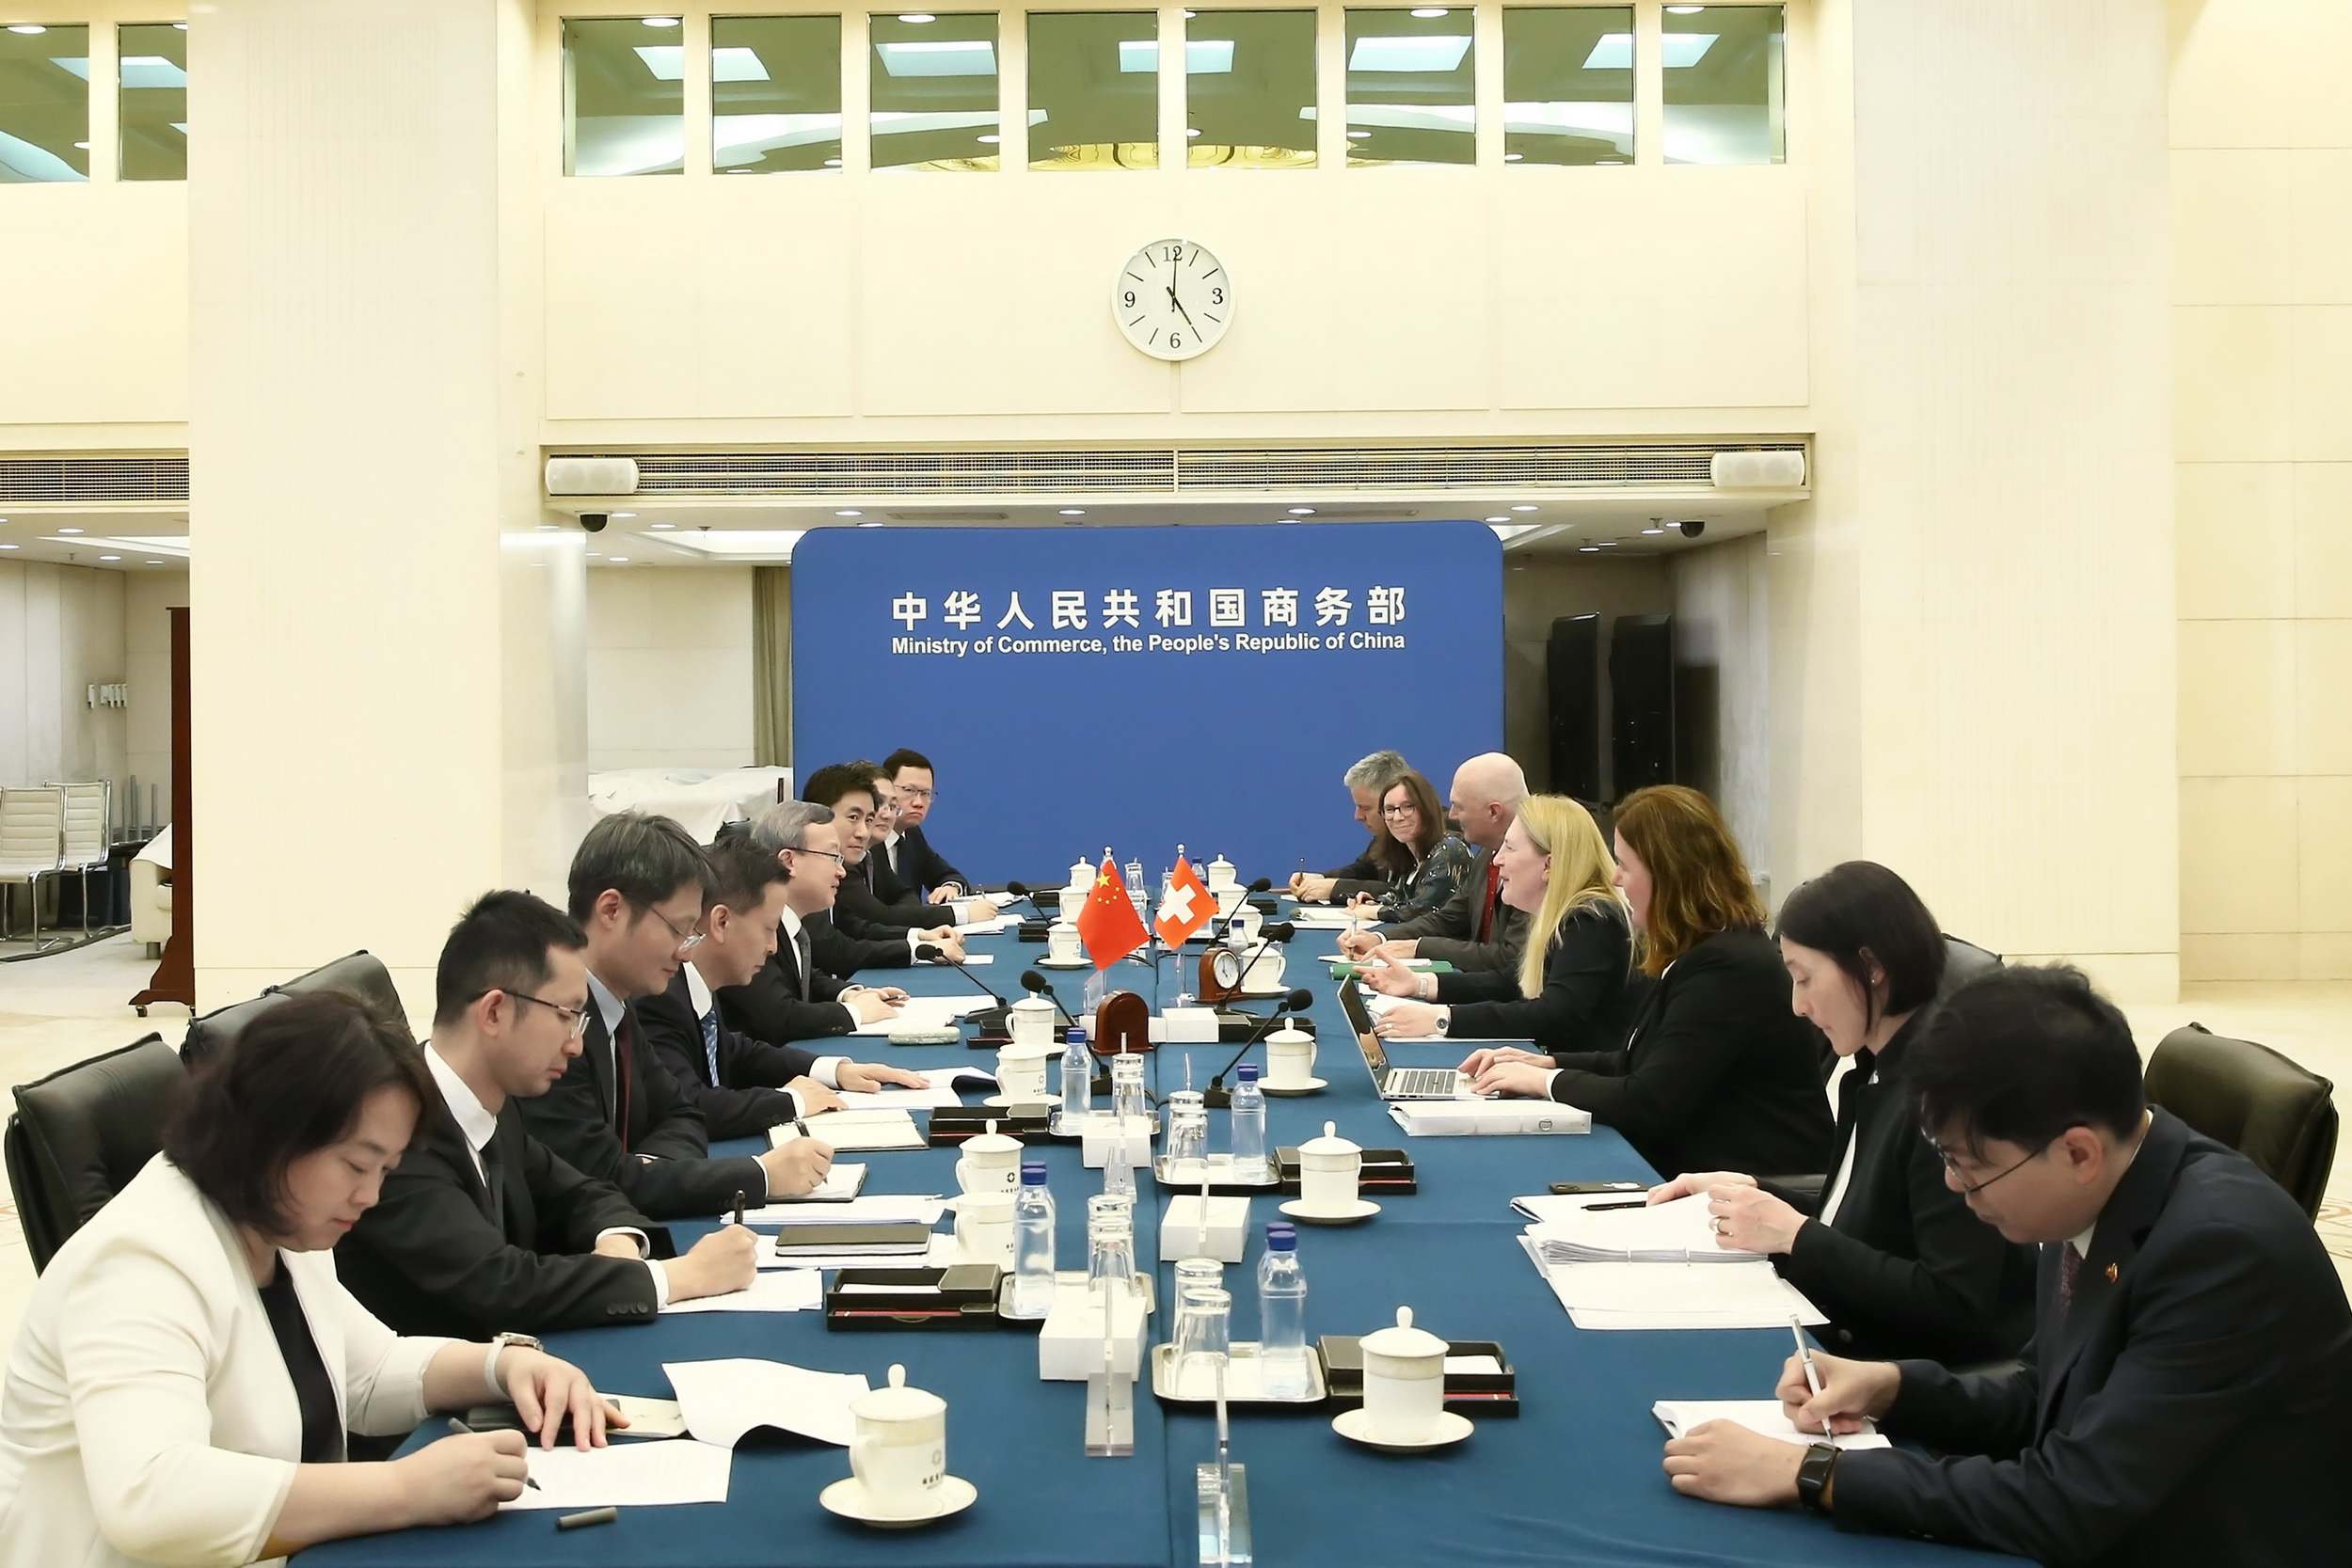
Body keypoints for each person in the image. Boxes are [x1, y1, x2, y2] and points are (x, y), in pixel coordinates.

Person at [1662, 965, 2352, 1566]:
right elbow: (2049, 1395)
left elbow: (2071, 1499)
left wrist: (1810, 1472)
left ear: (2077, 1152)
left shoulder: (2220, 1251)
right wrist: (1891, 1387)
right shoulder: (2092, 1189)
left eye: (1971, 1166)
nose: (1955, 1187)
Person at [0, 989, 618, 1568]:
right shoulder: (141, 1259)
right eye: (356, 1165)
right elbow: (150, 1497)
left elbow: (367, 1371)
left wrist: (503, 1365)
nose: (370, 1195)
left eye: (385, 1170)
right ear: (275, 1133)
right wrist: (403, 1487)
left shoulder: (281, 1219)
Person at [1645, 862, 2035, 1364]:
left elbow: (1954, 1302)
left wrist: (1794, 1234)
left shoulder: (1941, 1100)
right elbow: (1862, 1223)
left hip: (1909, 1374)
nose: (1797, 1006)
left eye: (1804, 979)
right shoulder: (1872, 1073)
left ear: (1871, 966)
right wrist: (1754, 1191)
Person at [340, 893, 760, 1337]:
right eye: (567, 1015)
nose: (576, 1045)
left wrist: (617, 1237)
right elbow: (500, 1286)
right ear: (495, 1011)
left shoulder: (492, 1107)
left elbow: (581, 1193)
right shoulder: (398, 1133)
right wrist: (681, 1276)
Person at [1464, 784, 1830, 1178]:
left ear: (1665, 872)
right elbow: (1643, 1061)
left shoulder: (1727, 968)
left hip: (1746, 1186)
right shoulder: (1705, 950)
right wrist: (1547, 1062)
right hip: (1703, 1171)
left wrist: (1546, 1081)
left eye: (1625, 865)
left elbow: (1650, 1102)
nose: (1616, 878)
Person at [517, 811, 834, 1217]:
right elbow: (601, 1183)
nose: (687, 952)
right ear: (611, 910)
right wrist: (760, 1175)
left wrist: (654, 1169)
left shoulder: (619, 1008)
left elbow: (682, 1111)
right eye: (679, 929)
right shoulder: (552, 1027)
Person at [640, 836, 928, 1139]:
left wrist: (835, 1071)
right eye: (768, 929)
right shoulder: (658, 996)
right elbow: (689, 1103)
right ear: (721, 922)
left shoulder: (695, 986)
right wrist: (793, 1101)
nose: (773, 947)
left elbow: (736, 1052)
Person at [1364, 795, 1631, 1054]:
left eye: (1510, 848)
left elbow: (1554, 1015)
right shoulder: (1566, 912)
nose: (1497, 859)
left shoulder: (1591, 920)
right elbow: (1513, 981)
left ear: (1549, 865)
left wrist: (1442, 1019)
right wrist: (1419, 984)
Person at [719, 800, 916, 1046]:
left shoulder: (791, 923)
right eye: (833, 857)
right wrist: (854, 1013)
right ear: (789, 861)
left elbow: (805, 977)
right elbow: (778, 1016)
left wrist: (849, 994)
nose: (841, 871)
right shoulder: (750, 923)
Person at [1337, 752, 1530, 973]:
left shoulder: (1537, 861)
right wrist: (1379, 939)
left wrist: (1417, 948)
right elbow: (1449, 919)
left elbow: (1511, 958)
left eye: (1459, 807)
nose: (1452, 816)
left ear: (1494, 812)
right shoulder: (1488, 854)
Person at [805, 762, 988, 943]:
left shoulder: (893, 843)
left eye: (892, 806)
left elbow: (903, 895)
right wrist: (959, 915)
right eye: (854, 817)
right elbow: (875, 918)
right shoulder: (844, 860)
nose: (886, 814)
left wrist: (915, 934)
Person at [1344, 769, 1476, 927]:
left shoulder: (1450, 850)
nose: (1397, 817)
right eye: (1390, 810)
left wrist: (1375, 911)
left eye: (1407, 807)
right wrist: (1374, 901)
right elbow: (1400, 897)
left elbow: (1424, 910)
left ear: (1427, 809)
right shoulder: (1410, 854)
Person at [1289, 749, 1411, 904]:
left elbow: (1409, 894)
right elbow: (1362, 871)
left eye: (1365, 808)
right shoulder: (1385, 837)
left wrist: (1335, 888)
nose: (1357, 816)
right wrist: (1320, 879)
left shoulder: (1428, 841)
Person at [878, 747, 968, 903]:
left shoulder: (912, 834)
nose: (919, 802)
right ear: (886, 789)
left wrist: (951, 887)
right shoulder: (867, 841)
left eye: (926, 793)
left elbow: (947, 875)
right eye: (909, 790)